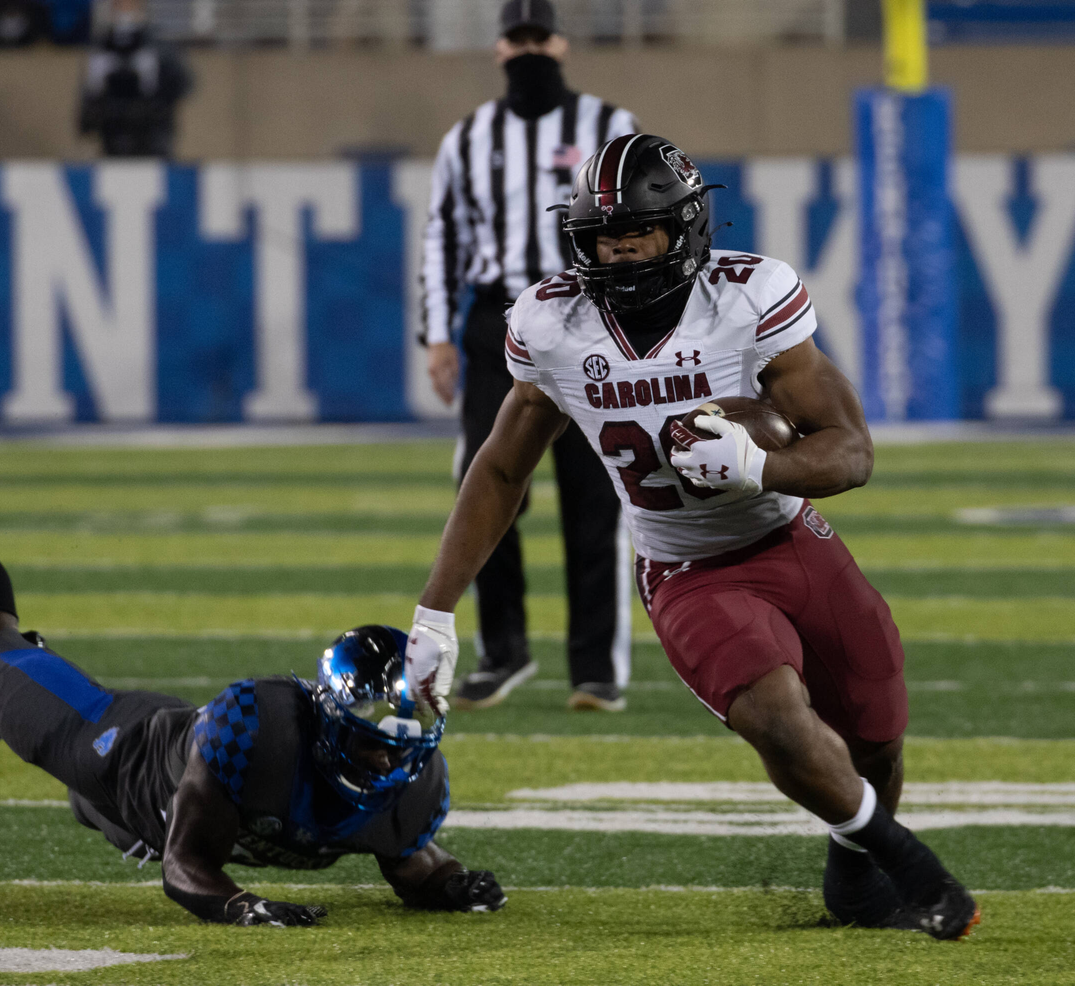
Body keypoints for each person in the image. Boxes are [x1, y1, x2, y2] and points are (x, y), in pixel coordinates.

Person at [405, 134, 980, 940]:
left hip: (790, 538)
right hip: (685, 566)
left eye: (640, 231)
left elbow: (850, 451)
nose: (623, 250)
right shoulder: (553, 323)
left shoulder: (750, 297)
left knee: (877, 734)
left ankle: (853, 874)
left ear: (686, 228)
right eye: (606, 236)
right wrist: (435, 611)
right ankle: (913, 867)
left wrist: (756, 464)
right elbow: (501, 470)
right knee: (777, 718)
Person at [0, 425, 506, 926]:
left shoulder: (414, 786)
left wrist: (453, 884)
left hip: (181, 783)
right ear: (327, 716)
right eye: (371, 734)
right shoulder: (257, 729)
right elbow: (185, 864)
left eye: (403, 735)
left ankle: (13, 685)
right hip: (124, 759)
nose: (388, 751)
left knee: (49, 739)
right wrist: (243, 907)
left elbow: (413, 865)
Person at [420, 0, 639, 712]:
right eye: (517, 39)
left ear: (561, 43)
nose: (529, 50)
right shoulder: (468, 136)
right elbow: (441, 238)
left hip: (589, 317)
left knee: (595, 494)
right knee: (483, 486)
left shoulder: (610, 126)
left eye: (538, 37)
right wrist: (438, 336)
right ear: (498, 50)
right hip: (498, 323)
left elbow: (643, 224)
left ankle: (596, 666)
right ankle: (503, 650)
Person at [78, 0, 192, 158]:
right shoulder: (103, 44)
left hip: (153, 136)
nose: (125, 10)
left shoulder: (159, 43)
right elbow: (88, 100)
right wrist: (95, 87)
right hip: (113, 136)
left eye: (131, 4)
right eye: (119, 5)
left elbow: (184, 84)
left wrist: (157, 74)